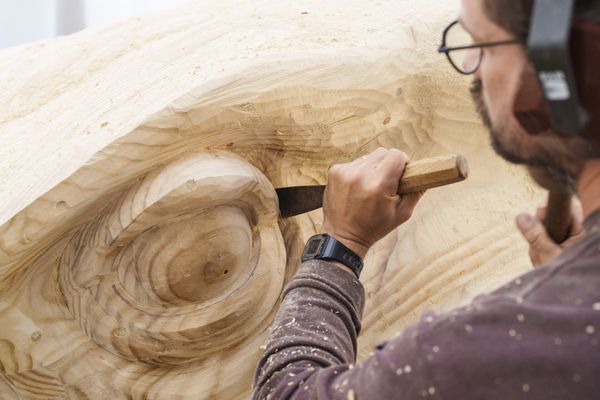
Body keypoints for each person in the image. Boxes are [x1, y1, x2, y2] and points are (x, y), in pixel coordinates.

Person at [252, 0, 600, 398]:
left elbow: (289, 392)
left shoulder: (492, 344)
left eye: (483, 46)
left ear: (556, 72)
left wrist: (339, 246)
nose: (473, 70)